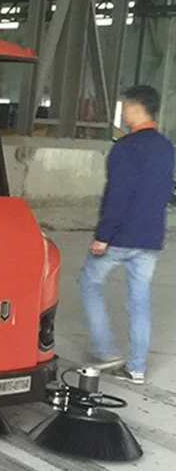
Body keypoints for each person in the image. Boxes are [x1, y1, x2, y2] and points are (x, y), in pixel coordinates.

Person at [78, 85, 174, 384]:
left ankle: (106, 350)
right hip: (150, 238)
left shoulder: (126, 147)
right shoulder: (166, 147)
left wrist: (103, 235)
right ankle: (136, 368)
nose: (122, 112)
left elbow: (119, 194)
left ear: (136, 107)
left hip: (120, 237)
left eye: (125, 106)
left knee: (87, 283)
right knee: (139, 299)